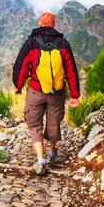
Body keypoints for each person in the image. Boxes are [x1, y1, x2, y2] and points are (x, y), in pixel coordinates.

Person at [12, 12, 80, 175]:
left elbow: (21, 67)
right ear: (54, 24)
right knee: (53, 122)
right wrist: (74, 95)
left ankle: (41, 160)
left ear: (40, 24)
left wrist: (18, 86)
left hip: (36, 91)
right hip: (57, 92)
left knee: (34, 124)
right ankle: (51, 153)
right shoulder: (63, 43)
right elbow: (71, 71)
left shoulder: (30, 43)